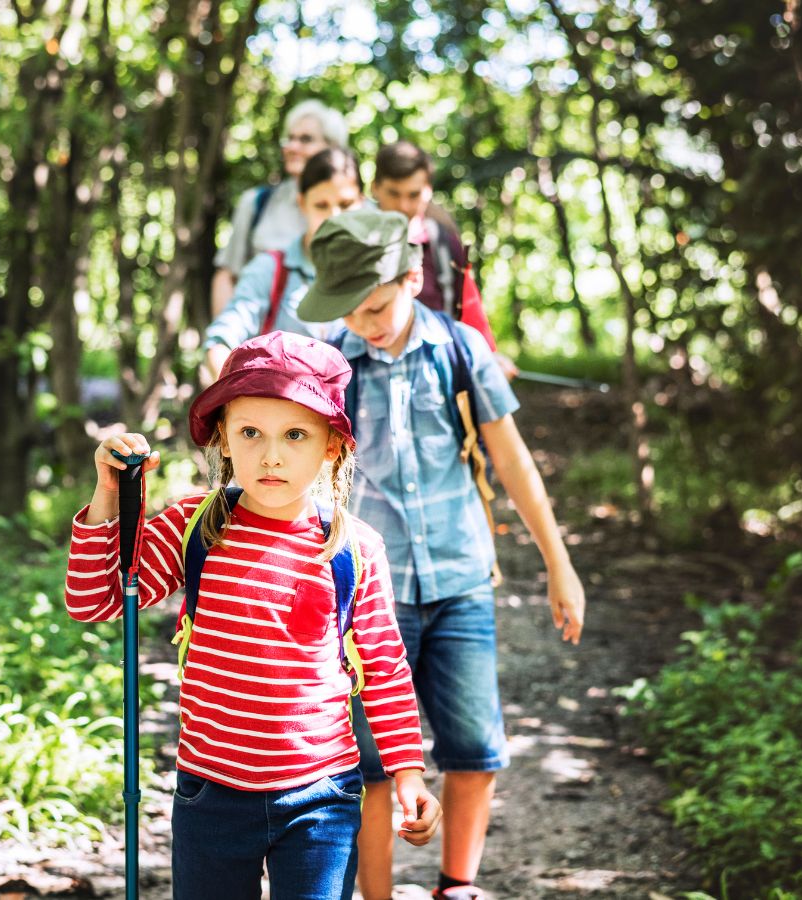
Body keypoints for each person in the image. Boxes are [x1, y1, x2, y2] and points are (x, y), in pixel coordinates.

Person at [64, 331, 442, 900]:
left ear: (332, 444)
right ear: (222, 438)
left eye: (295, 435)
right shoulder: (196, 527)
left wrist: (407, 772)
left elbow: (385, 668)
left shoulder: (352, 547)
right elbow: (95, 599)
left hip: (321, 796)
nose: (271, 455)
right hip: (210, 792)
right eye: (250, 433)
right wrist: (109, 498)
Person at [296, 210, 587, 900]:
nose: (365, 323)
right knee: (367, 768)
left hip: (460, 576)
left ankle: (456, 885)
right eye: (351, 310)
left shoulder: (459, 349)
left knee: (475, 751)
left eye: (376, 305)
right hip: (369, 590)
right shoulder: (331, 364)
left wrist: (559, 563)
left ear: (413, 276)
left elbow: (511, 460)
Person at [202, 147, 365, 382]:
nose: (334, 217)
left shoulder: (378, 272)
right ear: (302, 203)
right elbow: (220, 341)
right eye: (322, 205)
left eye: (346, 203)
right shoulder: (270, 269)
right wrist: (238, 400)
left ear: (362, 201)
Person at [371, 141, 518, 380]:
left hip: (437, 372)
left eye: (414, 194)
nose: (404, 206)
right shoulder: (356, 241)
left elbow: (467, 304)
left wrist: (489, 355)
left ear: (428, 190)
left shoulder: (444, 242)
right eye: (394, 194)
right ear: (375, 188)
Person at [213, 100, 350, 318]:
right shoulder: (258, 203)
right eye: (290, 138)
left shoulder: (361, 212)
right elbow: (227, 276)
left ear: (333, 148)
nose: (292, 147)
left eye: (306, 139)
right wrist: (228, 345)